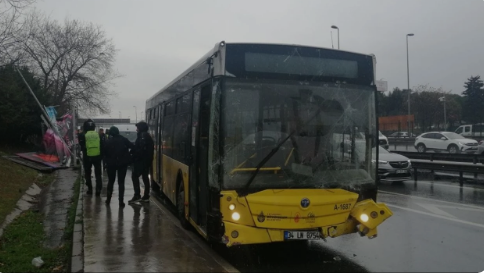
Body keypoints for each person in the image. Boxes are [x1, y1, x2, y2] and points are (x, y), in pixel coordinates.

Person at [104, 126, 134, 207]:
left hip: (111, 164)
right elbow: (132, 147)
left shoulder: (108, 141)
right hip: (122, 164)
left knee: (111, 181)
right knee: (121, 182)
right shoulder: (123, 139)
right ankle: (121, 201)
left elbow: (104, 152)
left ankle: (108, 200)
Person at [128, 121, 154, 203]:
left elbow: (140, 150)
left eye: (137, 128)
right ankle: (146, 196)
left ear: (141, 128)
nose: (136, 129)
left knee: (135, 176)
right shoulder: (146, 135)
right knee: (145, 178)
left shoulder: (142, 136)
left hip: (141, 161)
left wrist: (133, 155)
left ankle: (137, 195)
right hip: (146, 161)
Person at [78, 119, 104, 196]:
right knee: (98, 174)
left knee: (87, 173)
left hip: (87, 156)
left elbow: (81, 145)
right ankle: (98, 189)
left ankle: (90, 189)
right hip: (97, 156)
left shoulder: (82, 135)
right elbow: (102, 145)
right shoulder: (98, 135)